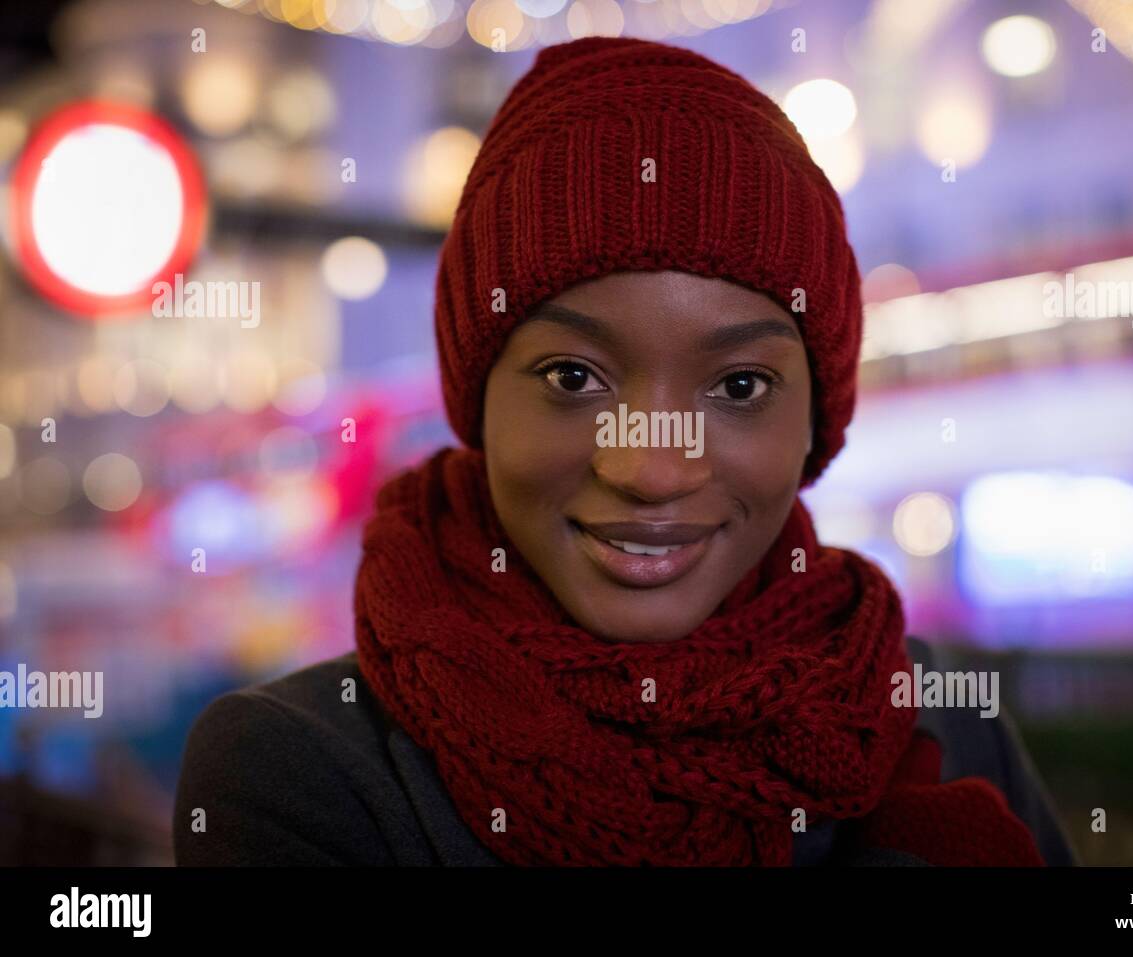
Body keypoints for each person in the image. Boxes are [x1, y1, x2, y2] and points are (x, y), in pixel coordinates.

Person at [174, 35, 1076, 867]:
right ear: (478, 399)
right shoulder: (298, 768)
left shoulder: (933, 710)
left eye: (739, 387)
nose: (652, 467)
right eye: (573, 377)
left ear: (815, 421)